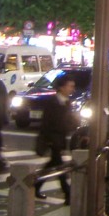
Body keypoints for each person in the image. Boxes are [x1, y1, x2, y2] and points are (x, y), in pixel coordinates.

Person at [35, 75, 79, 204]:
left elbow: (68, 122)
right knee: (60, 167)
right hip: (53, 139)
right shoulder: (52, 102)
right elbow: (47, 122)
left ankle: (36, 186)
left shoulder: (66, 102)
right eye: (70, 86)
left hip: (60, 139)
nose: (72, 89)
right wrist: (47, 139)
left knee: (52, 165)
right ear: (61, 87)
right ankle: (68, 194)